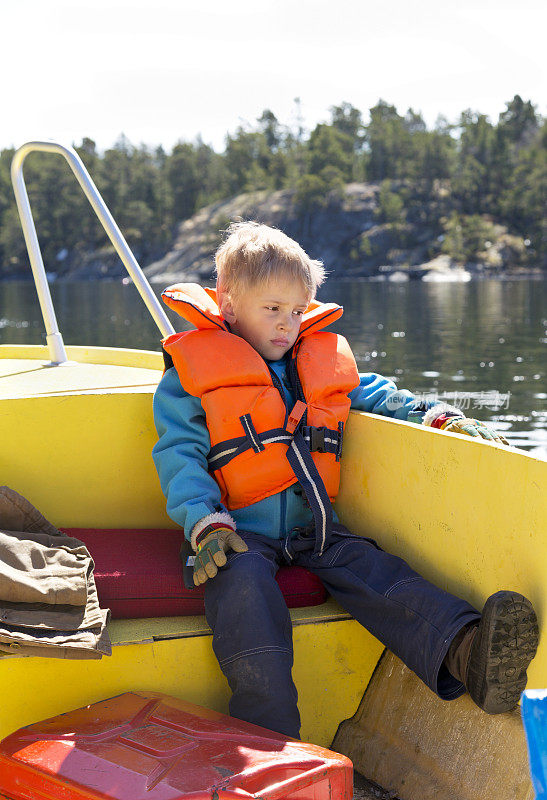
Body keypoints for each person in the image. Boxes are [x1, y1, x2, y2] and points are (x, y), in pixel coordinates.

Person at [152, 221, 538, 739]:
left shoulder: (316, 362)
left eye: (296, 311)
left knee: (378, 570)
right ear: (229, 304)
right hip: (237, 536)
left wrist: (434, 416)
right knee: (242, 591)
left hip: (319, 531)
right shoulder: (188, 378)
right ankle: (272, 741)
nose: (287, 324)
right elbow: (179, 455)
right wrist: (205, 524)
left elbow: (376, 394)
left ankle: (468, 651)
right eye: (272, 310)